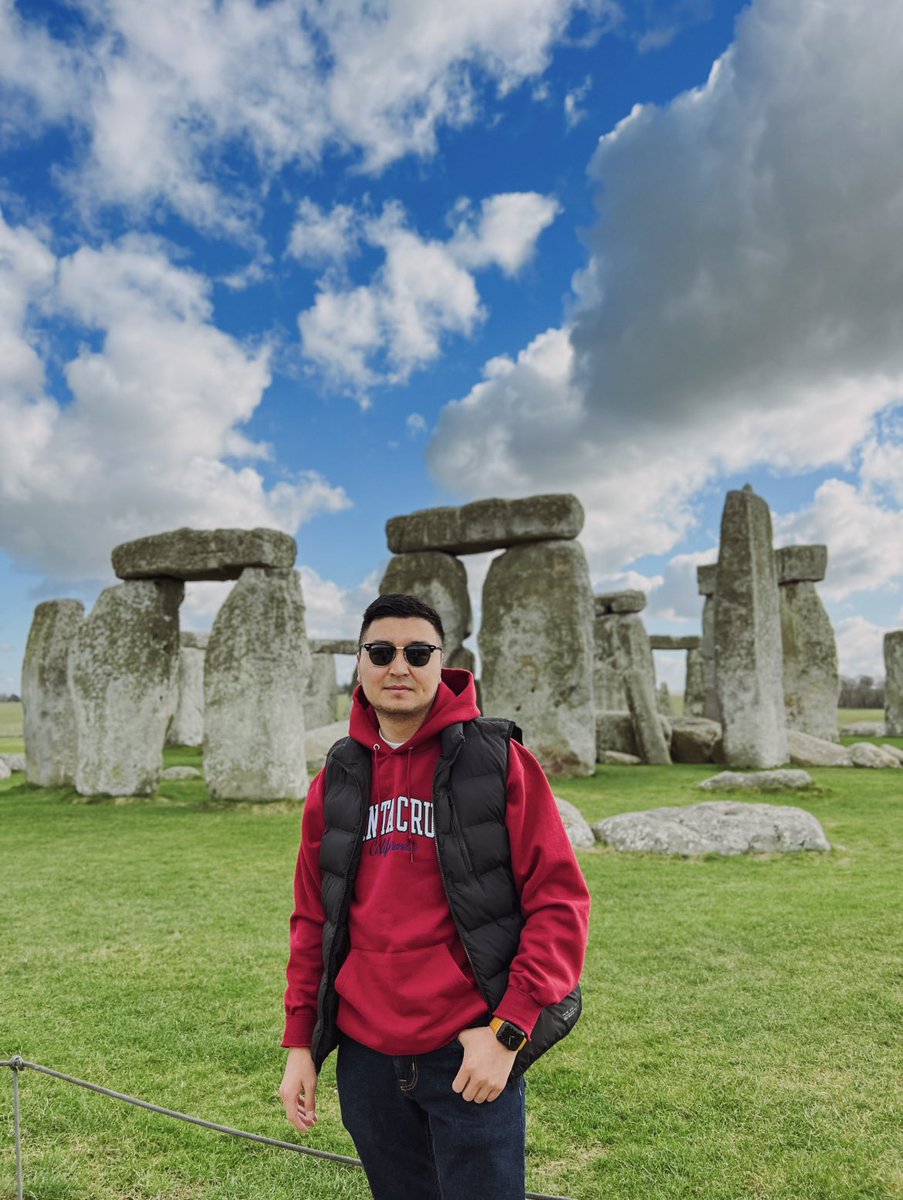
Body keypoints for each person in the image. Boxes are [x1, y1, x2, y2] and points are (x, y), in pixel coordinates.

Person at [279, 593, 590, 1200]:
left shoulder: (499, 760)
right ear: (360, 663)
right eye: (381, 651)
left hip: (468, 1050)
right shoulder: (336, 778)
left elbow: (559, 902)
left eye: (417, 652)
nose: (399, 666)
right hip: (366, 1056)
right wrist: (300, 1044)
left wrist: (508, 1032)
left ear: (442, 663)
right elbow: (313, 917)